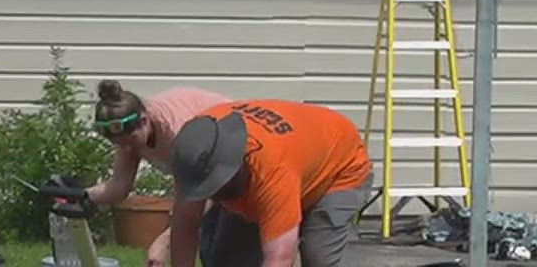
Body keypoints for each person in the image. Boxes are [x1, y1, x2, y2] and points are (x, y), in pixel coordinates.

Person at [167, 99, 371, 267]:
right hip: (298, 155)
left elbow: (280, 259)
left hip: (339, 167)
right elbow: (186, 223)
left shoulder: (272, 172)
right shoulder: (194, 150)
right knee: (229, 260)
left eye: (217, 186)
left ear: (235, 166)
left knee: (319, 258)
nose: (214, 196)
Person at [81, 80, 232, 267]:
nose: (127, 148)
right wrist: (79, 196)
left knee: (224, 253)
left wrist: (163, 243)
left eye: (131, 141)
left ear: (144, 121)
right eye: (120, 144)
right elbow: (119, 187)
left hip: (242, 165)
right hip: (212, 181)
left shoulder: (180, 134)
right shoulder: (130, 135)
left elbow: (203, 194)